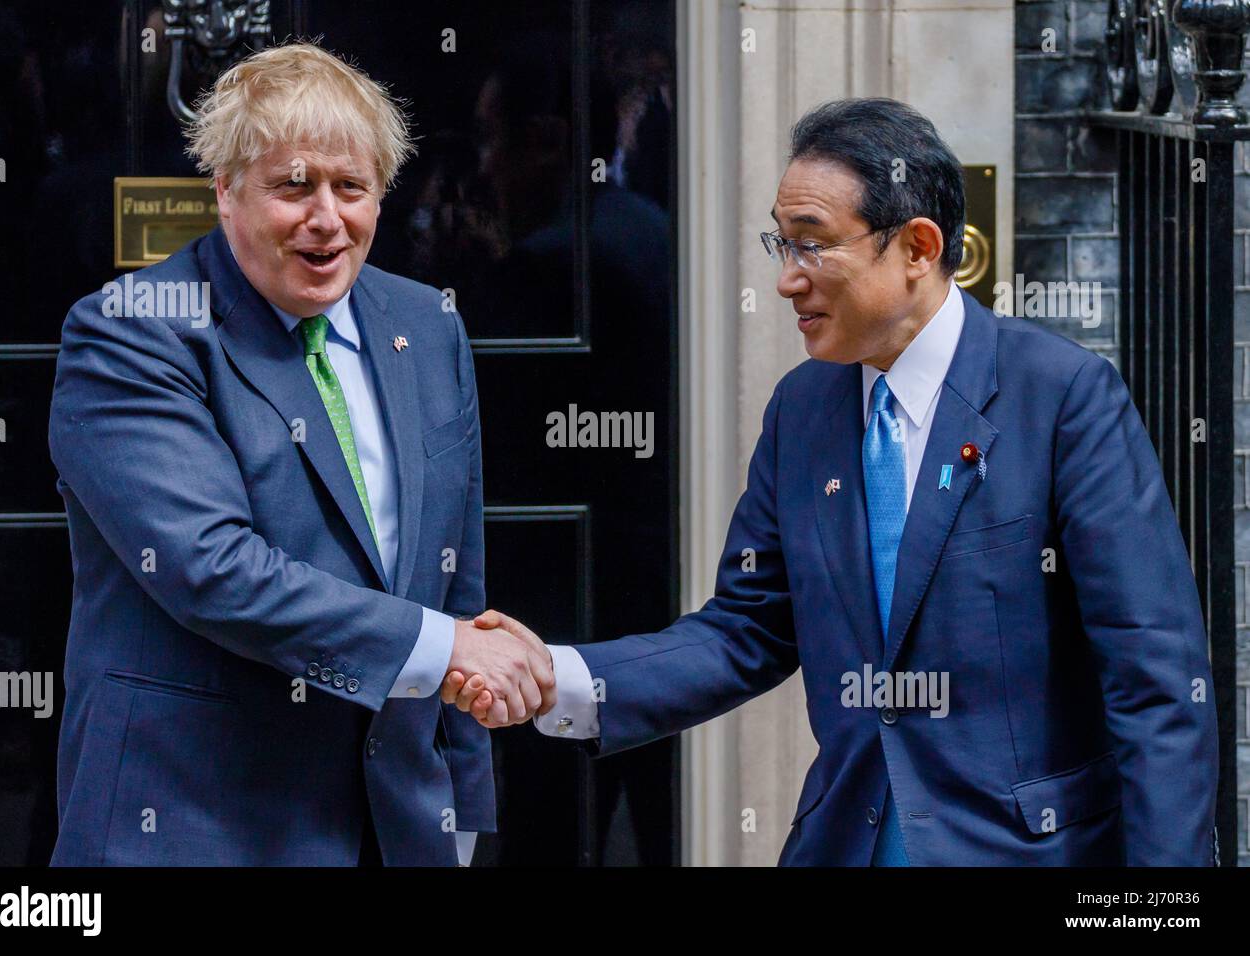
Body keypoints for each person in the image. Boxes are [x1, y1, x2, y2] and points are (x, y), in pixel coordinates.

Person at [446, 97, 1220, 866]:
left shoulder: (1061, 397)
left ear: (917, 247)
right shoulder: (803, 410)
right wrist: (566, 678)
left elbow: (1154, 679)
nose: (788, 280)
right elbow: (745, 630)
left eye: (812, 246)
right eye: (780, 246)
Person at [48, 41, 553, 867]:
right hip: (194, 822)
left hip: (392, 825)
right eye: (294, 185)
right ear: (225, 190)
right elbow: (212, 567)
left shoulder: (427, 325)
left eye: (352, 187)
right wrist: (446, 646)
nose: (327, 218)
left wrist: (462, 815)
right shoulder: (134, 330)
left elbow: (458, 580)